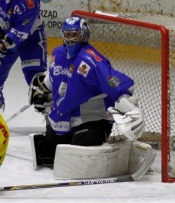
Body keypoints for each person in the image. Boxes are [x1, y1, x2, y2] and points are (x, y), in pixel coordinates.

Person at [28, 17, 144, 167]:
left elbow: (114, 81)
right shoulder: (58, 54)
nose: (70, 39)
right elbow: (54, 76)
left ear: (83, 35)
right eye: (67, 35)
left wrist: (128, 104)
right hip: (65, 118)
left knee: (80, 148)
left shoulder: (90, 60)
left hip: (92, 120)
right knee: (52, 148)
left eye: (74, 35)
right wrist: (43, 89)